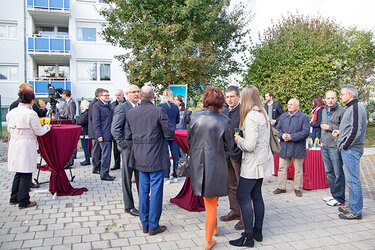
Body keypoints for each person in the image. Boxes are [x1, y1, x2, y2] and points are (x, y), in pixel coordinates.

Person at [125, 86, 174, 236]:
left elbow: (128, 136)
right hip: (156, 156)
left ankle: (145, 223)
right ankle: (153, 225)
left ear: (140, 96)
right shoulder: (158, 111)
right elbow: (169, 132)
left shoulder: (132, 113)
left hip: (139, 156)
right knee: (156, 191)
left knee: (143, 190)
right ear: (153, 96)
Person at [187, 87, 232, 250]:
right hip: (216, 163)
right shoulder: (224, 120)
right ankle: (208, 240)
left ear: (205, 99)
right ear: (220, 101)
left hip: (198, 162)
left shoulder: (194, 117)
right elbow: (229, 145)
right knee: (212, 202)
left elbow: (189, 141)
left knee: (210, 200)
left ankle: (213, 227)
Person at [229, 85, 274, 247]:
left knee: (242, 195)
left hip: (253, 163)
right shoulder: (263, 113)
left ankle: (248, 237)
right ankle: (257, 231)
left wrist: (238, 140)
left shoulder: (251, 116)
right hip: (262, 162)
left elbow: (249, 145)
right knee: (257, 196)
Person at [7, 86, 51, 208]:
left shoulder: (11, 112)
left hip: (15, 143)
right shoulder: (31, 114)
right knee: (26, 172)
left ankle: (14, 197)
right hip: (26, 144)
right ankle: (24, 200)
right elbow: (39, 131)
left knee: (19, 172)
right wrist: (47, 127)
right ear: (31, 101)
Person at [335, 85, 367, 220]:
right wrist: (341, 133)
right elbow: (350, 129)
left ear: (350, 95)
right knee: (351, 180)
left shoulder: (356, 108)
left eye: (342, 94)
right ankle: (353, 205)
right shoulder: (353, 108)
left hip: (352, 150)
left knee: (353, 180)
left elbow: (356, 130)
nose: (340, 96)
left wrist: (346, 145)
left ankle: (356, 210)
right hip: (349, 148)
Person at [111, 85, 141, 217]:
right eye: (133, 92)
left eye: (138, 92)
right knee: (127, 177)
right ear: (127, 94)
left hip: (140, 148)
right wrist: (123, 145)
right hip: (128, 148)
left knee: (141, 176)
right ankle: (129, 206)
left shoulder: (139, 107)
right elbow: (115, 129)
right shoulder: (122, 108)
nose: (136, 94)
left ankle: (144, 202)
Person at [273, 98, 310, 197]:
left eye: (291, 104)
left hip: (297, 147)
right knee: (282, 168)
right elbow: (277, 129)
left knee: (298, 170)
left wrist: (292, 137)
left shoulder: (304, 117)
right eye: (288, 104)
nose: (289, 106)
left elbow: (306, 132)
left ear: (297, 106)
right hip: (284, 147)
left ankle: (297, 188)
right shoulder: (283, 116)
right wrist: (282, 135)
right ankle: (282, 187)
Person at [220, 85, 243, 230]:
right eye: (227, 97)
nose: (229, 99)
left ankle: (245, 216)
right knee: (230, 184)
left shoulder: (243, 112)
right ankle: (234, 211)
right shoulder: (223, 111)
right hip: (226, 153)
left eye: (232, 97)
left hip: (238, 153)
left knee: (242, 186)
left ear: (238, 97)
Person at [320, 90, 346, 207]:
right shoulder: (324, 111)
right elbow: (321, 127)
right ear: (325, 99)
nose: (330, 100)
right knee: (329, 172)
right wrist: (321, 141)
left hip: (335, 146)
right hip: (325, 145)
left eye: (333, 98)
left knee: (338, 173)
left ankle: (340, 198)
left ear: (336, 99)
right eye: (328, 98)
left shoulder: (342, 112)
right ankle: (333, 194)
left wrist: (330, 127)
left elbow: (344, 129)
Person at [92, 89, 115, 181]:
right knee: (106, 155)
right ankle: (104, 174)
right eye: (105, 95)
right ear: (100, 96)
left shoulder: (109, 105)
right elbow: (96, 122)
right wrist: (99, 135)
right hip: (103, 134)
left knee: (107, 154)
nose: (107, 97)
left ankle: (105, 172)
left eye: (108, 95)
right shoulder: (97, 106)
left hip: (109, 133)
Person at [158, 89, 180, 182]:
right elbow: (177, 120)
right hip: (174, 132)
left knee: (165, 155)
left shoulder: (160, 106)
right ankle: (176, 174)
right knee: (175, 155)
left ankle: (166, 175)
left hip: (163, 133)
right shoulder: (175, 106)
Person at [88, 88, 104, 174]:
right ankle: (95, 167)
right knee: (96, 149)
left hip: (97, 131)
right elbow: (92, 118)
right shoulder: (94, 104)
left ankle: (98, 165)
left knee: (98, 149)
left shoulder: (96, 103)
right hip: (95, 131)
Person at [110, 89, 126, 171]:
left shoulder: (126, 104)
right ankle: (117, 163)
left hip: (125, 129)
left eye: (119, 95)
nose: (117, 97)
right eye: (116, 95)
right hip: (116, 129)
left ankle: (125, 164)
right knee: (116, 148)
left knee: (124, 149)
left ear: (123, 95)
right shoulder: (112, 105)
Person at [62, 89, 77, 168]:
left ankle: (73, 155)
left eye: (63, 94)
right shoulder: (66, 103)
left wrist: (71, 122)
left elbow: (72, 113)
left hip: (70, 123)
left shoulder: (71, 102)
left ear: (65, 94)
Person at [75, 100, 90, 166]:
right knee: (84, 146)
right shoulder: (85, 113)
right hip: (84, 132)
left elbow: (81, 121)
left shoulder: (86, 113)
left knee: (85, 146)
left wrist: (77, 118)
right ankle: (87, 159)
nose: (80, 106)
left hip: (85, 132)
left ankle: (87, 160)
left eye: (81, 104)